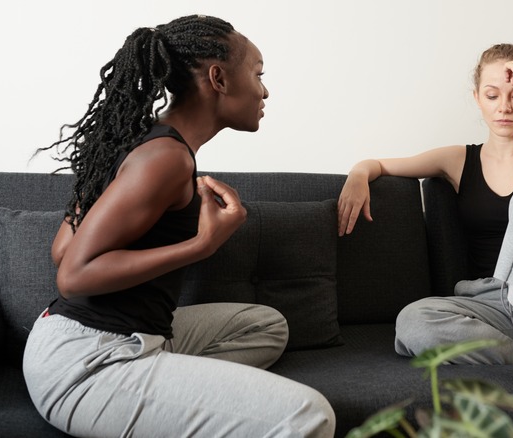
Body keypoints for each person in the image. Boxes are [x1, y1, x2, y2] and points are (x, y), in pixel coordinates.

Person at [25, 15, 335, 437]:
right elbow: (73, 275)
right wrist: (202, 244)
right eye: (258, 74)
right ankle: (157, 392)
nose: (264, 90)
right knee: (309, 414)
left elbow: (63, 248)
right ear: (218, 78)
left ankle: (170, 393)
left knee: (265, 326)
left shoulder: (141, 141)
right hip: (87, 364)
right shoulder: (166, 158)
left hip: (91, 337)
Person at [337, 43, 513, 434]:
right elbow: (381, 163)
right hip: (499, 303)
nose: (505, 107)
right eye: (493, 94)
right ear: (476, 98)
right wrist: (358, 174)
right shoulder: (458, 159)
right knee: (411, 322)